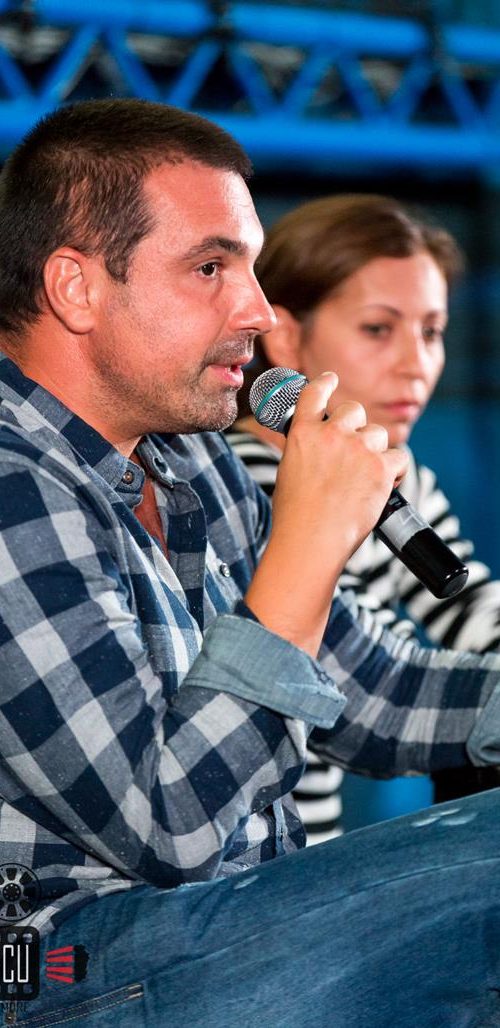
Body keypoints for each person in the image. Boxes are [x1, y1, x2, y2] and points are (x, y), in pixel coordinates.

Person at [1, 99, 500, 1028]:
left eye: (253, 268)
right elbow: (171, 825)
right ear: (75, 287)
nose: (258, 312)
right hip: (57, 971)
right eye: (210, 267)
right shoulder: (12, 486)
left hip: (219, 928)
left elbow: (372, 687)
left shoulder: (192, 458)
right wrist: (308, 543)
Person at [228, 193, 500, 842]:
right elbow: (370, 665)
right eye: (379, 329)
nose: (416, 364)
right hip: (263, 866)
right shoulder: (245, 477)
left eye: (432, 331)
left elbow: (468, 606)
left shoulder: (398, 472)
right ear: (285, 337)